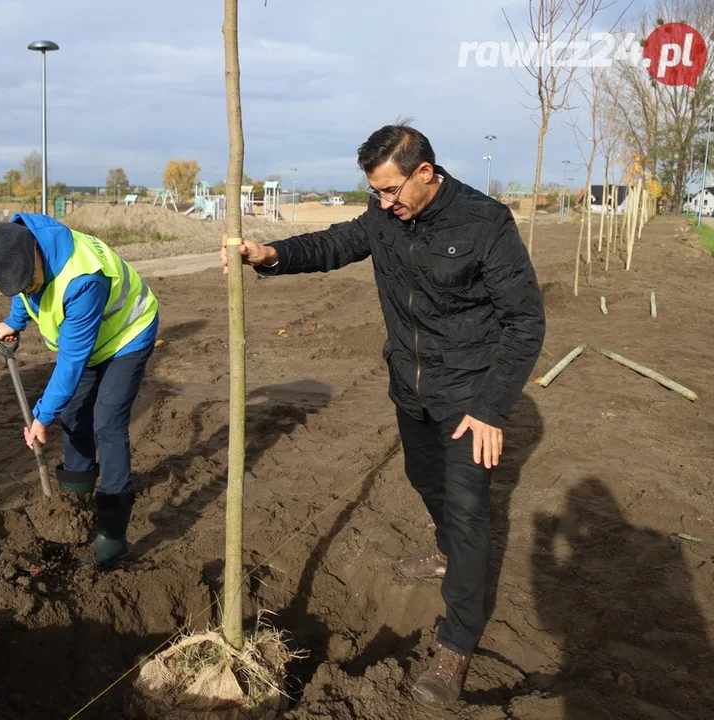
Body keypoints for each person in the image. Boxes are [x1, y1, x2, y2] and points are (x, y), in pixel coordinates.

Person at [221, 124, 545, 708]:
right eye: (375, 193)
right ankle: (444, 547)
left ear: (425, 172)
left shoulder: (485, 223)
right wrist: (270, 255)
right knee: (425, 482)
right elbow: (334, 244)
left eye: (392, 191)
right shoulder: (384, 217)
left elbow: (525, 321)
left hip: (470, 398)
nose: (384, 204)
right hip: (412, 390)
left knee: (471, 513)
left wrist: (492, 409)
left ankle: (455, 648)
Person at [0, 213, 159, 568]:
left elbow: (72, 361)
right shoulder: (22, 247)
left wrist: (42, 416)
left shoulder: (82, 278)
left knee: (107, 422)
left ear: (36, 251)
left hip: (127, 336)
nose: (28, 289)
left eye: (29, 281)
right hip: (90, 341)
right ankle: (74, 504)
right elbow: (27, 291)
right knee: (77, 413)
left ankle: (111, 535)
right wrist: (15, 321)